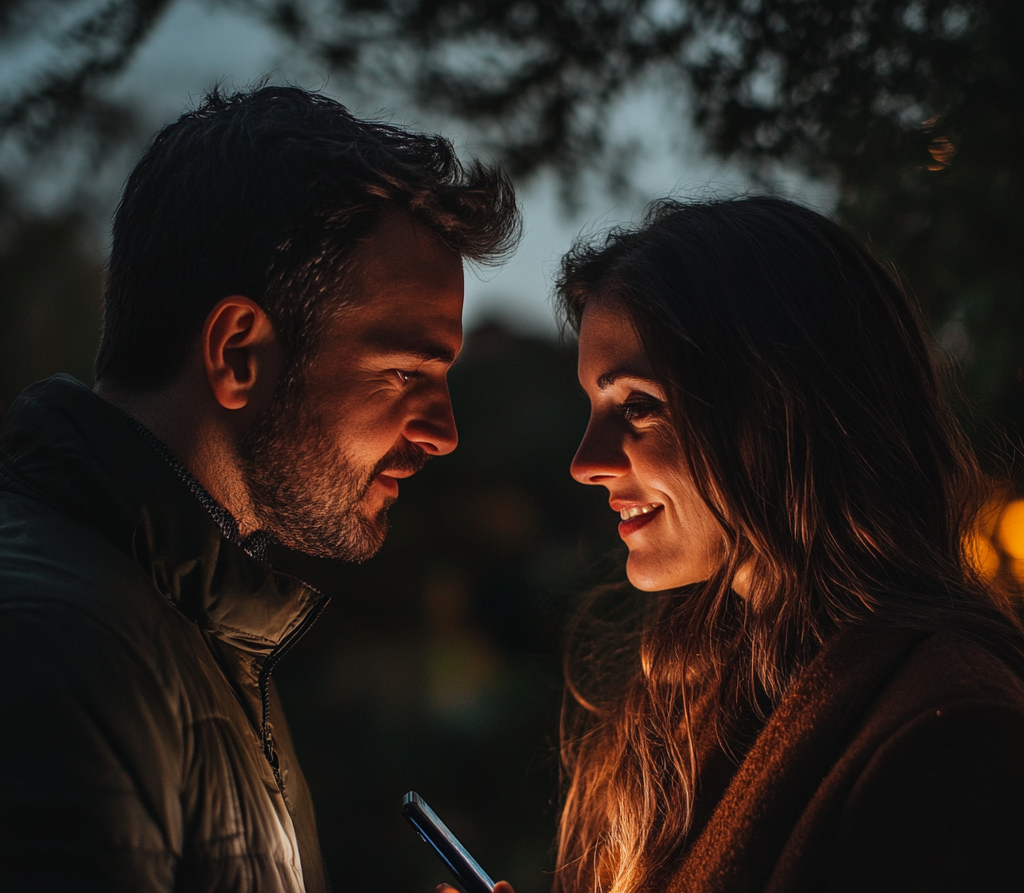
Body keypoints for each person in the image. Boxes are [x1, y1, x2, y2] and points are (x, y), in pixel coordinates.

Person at [0, 85, 519, 891]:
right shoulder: (55, 652)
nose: (443, 433)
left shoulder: (207, 631)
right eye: (406, 371)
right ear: (240, 352)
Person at [550, 196, 1024, 892]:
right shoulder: (715, 701)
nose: (586, 460)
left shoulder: (954, 737)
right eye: (594, 406)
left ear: (776, 411)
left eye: (639, 406)